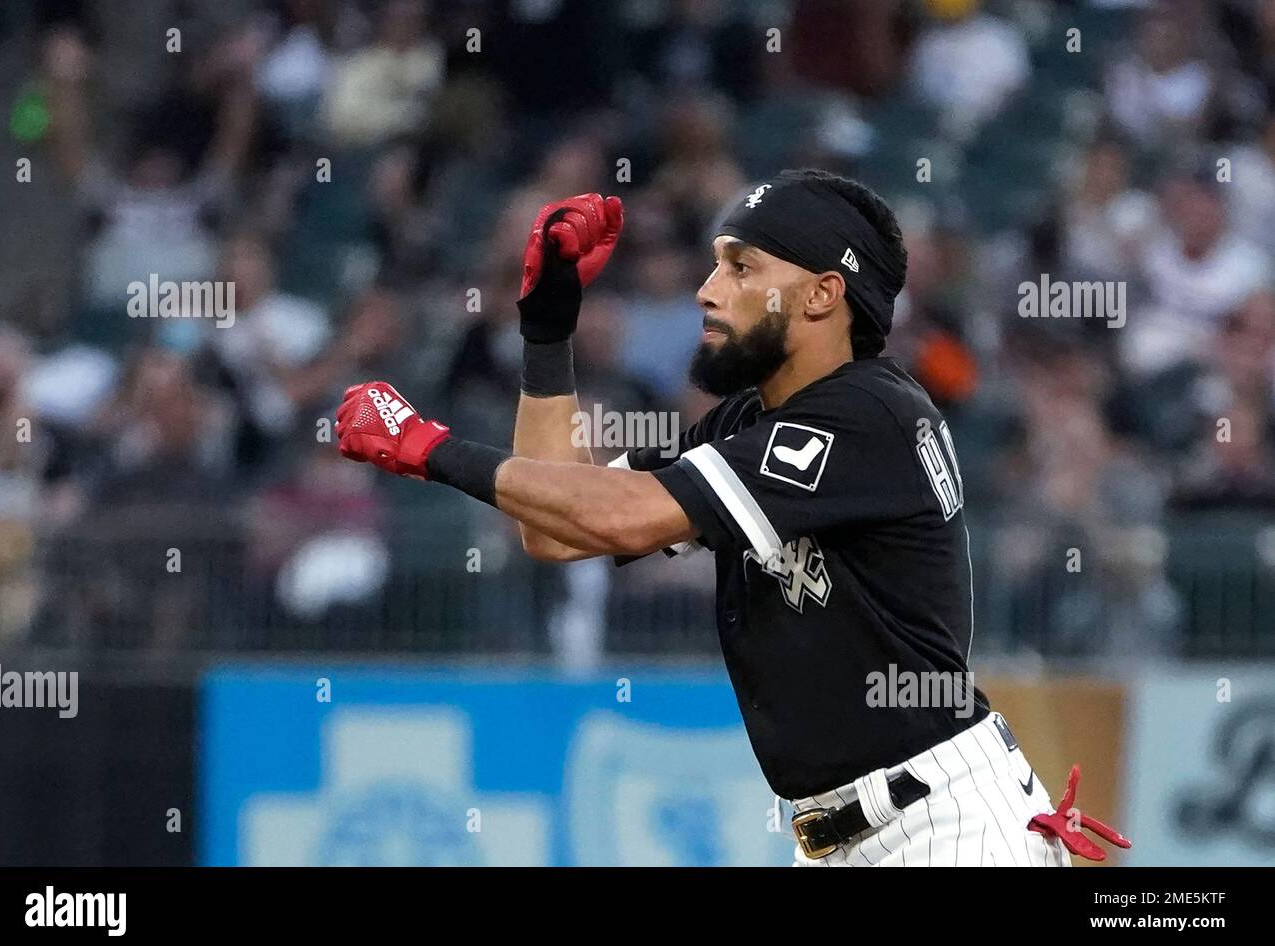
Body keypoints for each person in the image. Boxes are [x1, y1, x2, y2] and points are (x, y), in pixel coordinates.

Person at [334, 171, 1131, 867]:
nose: (707, 289)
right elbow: (555, 528)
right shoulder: (755, 418)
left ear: (824, 294)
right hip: (847, 834)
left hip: (943, 828)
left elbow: (620, 518)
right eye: (716, 262)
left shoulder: (866, 415)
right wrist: (549, 330)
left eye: (742, 266)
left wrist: (428, 446)